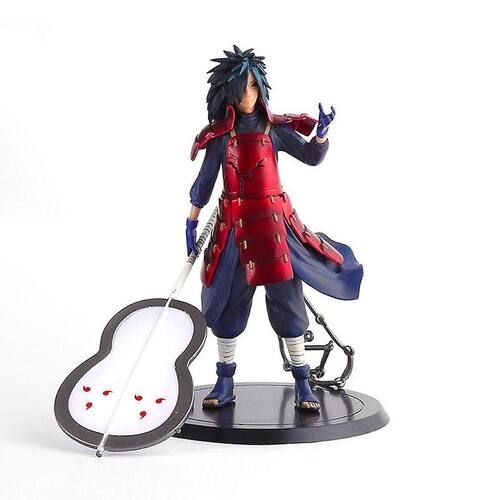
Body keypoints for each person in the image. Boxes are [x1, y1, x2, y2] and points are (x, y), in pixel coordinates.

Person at [187, 46, 363, 412]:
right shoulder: (220, 137)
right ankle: (224, 379)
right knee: (228, 306)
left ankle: (303, 380)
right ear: (228, 93)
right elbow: (205, 182)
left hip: (274, 230)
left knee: (288, 304)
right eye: (241, 88)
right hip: (234, 231)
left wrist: (320, 136)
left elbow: (310, 156)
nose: (248, 95)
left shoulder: (275, 129)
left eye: (253, 86)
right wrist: (191, 222)